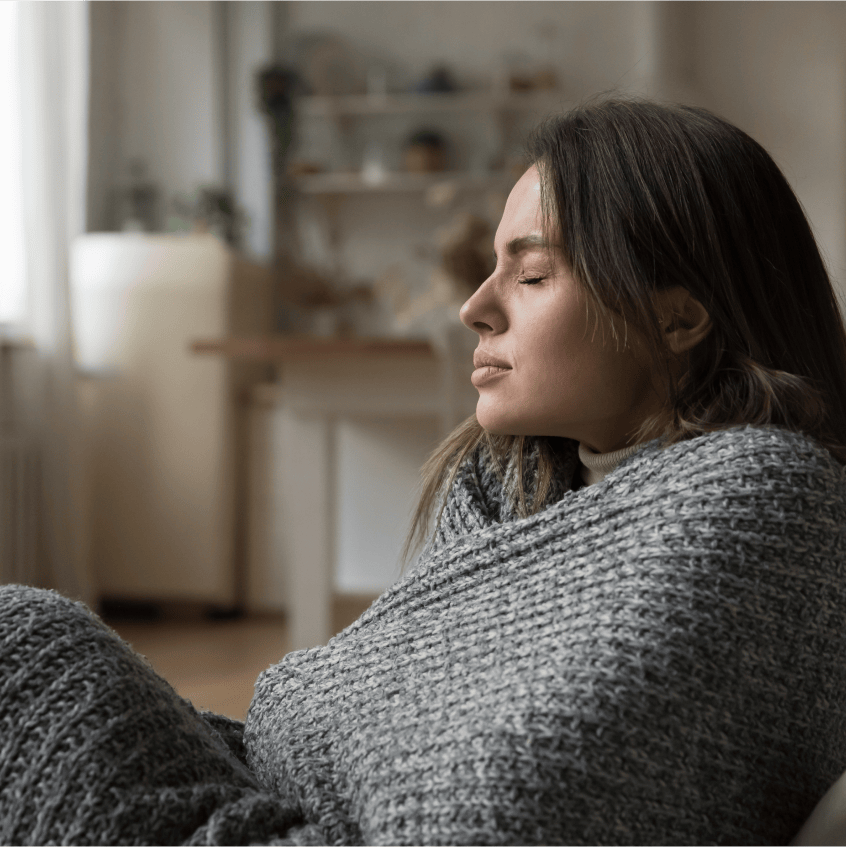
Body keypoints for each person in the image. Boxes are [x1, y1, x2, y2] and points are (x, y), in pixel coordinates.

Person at [2, 95, 846, 847]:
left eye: (532, 272)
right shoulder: (503, 489)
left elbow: (497, 803)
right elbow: (327, 724)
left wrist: (324, 725)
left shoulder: (765, 501)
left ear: (678, 318)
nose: (474, 306)